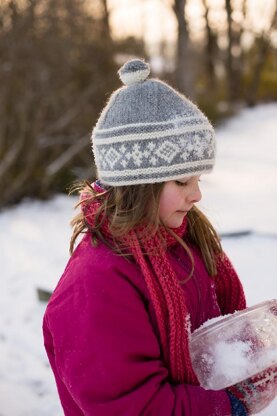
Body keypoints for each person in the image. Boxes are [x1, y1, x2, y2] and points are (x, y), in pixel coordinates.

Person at [43, 59, 277, 415]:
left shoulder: (185, 244)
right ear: (139, 185)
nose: (197, 195)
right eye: (183, 181)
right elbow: (134, 405)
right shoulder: (94, 283)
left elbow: (207, 337)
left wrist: (253, 356)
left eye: (199, 179)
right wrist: (229, 406)